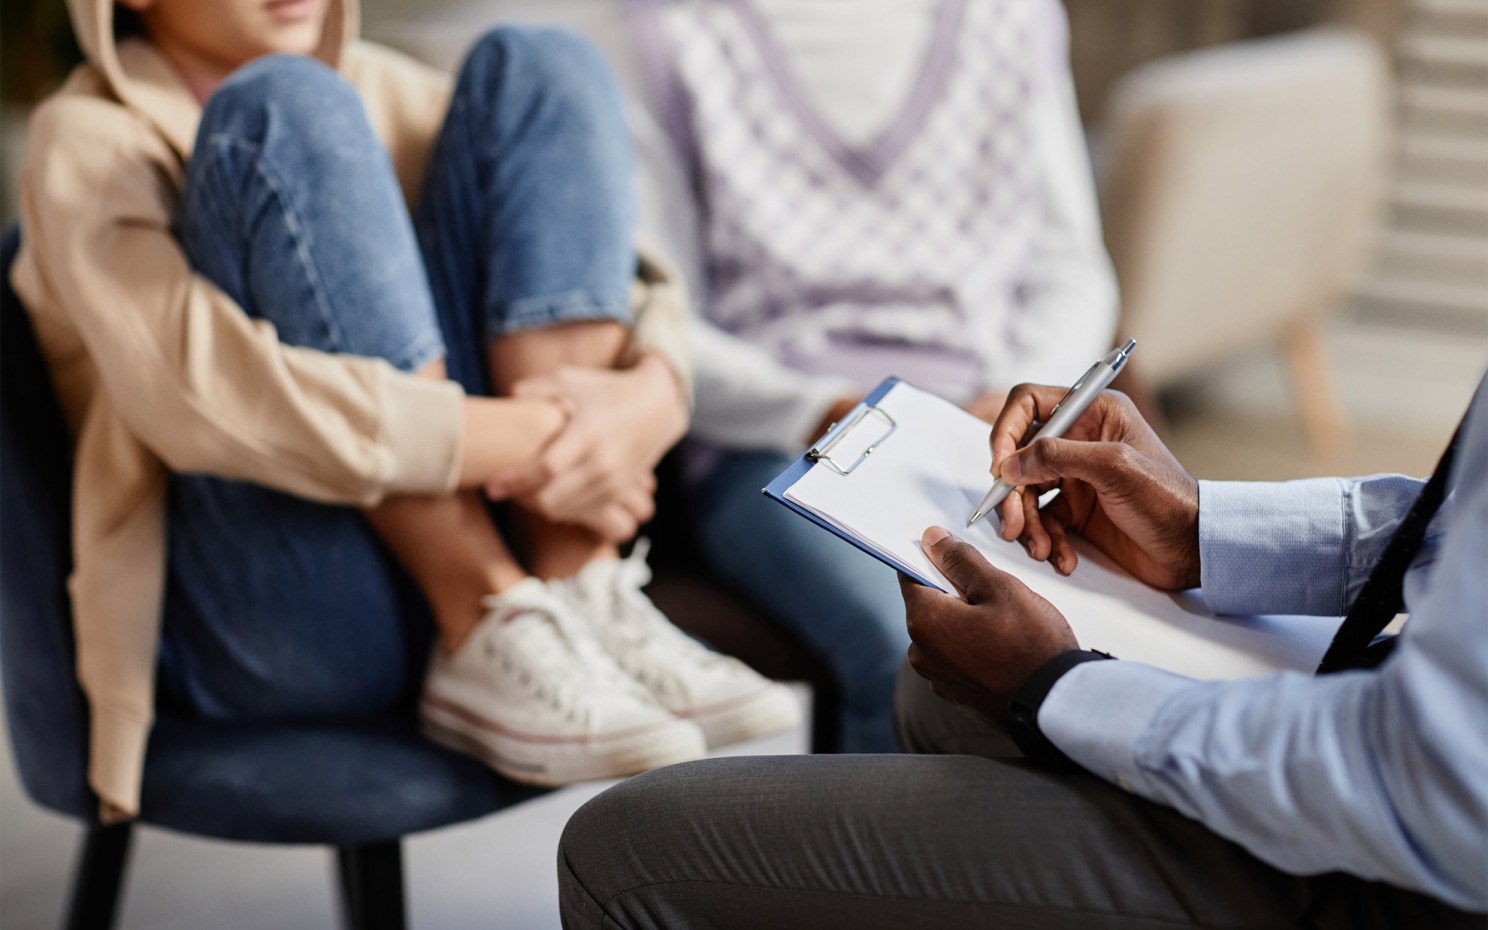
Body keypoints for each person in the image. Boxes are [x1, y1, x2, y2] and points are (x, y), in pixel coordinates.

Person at [11, 0, 798, 818]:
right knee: (286, 102)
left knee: (542, 66)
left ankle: (579, 582)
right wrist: (556, 437)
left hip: (490, 554)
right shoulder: (86, 140)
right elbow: (200, 402)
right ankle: (480, 609)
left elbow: (622, 269)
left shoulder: (386, 86)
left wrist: (654, 393)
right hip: (271, 609)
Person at [556, 376, 1488, 928]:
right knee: (936, 695)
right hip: (1402, 744)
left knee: (624, 851)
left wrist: (1060, 686)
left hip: (1408, 881)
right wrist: (1208, 531)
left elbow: (1426, 780)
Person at [469, 0, 1119, 752]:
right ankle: (874, 869)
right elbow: (658, 318)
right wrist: (821, 410)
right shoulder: (660, 36)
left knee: (1102, 633)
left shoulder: (1009, 16)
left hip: (984, 425)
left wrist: (1010, 397)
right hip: (778, 436)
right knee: (918, 642)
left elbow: (1071, 267)